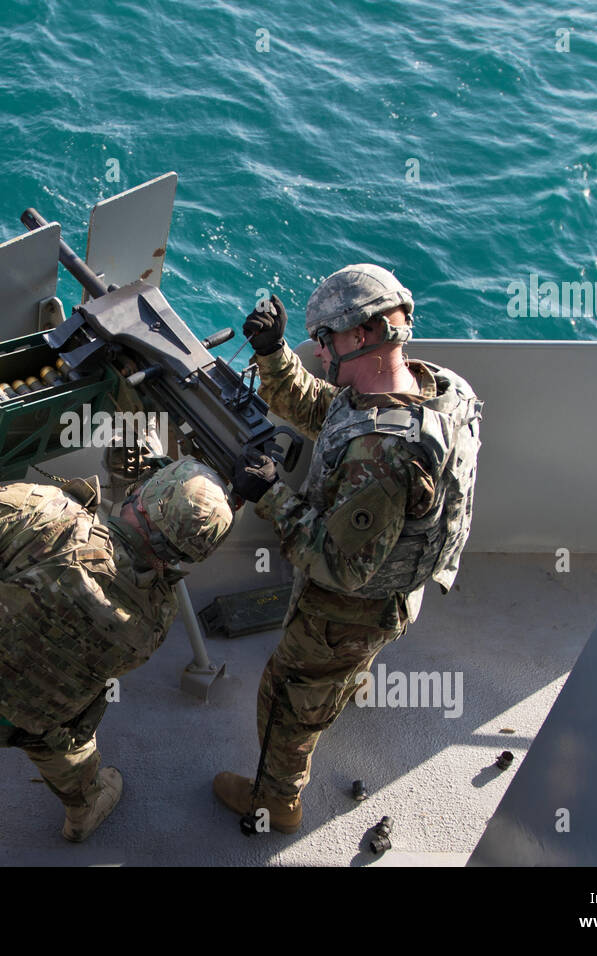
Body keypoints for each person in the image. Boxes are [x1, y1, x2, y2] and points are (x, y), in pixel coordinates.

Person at [0, 402, 235, 848]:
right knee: (71, 748)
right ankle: (82, 812)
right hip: (30, 723)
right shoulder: (157, 617)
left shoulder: (48, 515)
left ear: (145, 496)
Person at [216, 264, 482, 832]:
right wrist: (272, 355)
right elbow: (324, 411)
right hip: (395, 590)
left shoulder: (383, 451)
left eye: (324, 339)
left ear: (361, 335)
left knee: (287, 698)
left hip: (348, 610)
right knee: (330, 679)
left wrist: (268, 497)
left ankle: (275, 802)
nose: (316, 351)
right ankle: (342, 681)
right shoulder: (436, 387)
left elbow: (338, 567)